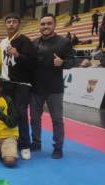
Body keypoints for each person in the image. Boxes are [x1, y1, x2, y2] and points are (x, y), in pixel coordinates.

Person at [31, 13, 74, 159]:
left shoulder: (64, 42)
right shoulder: (34, 43)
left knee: (57, 119)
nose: (45, 26)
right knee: (35, 118)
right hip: (36, 88)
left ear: (54, 25)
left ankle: (58, 147)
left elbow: (72, 61)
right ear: (39, 26)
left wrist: (62, 63)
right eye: (43, 24)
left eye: (48, 23)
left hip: (54, 89)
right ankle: (36, 143)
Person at [0, 13, 36, 160]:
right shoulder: (3, 42)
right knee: (8, 114)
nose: (11, 24)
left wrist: (18, 54)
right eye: (8, 22)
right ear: (5, 24)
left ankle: (25, 145)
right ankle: (10, 141)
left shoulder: (25, 41)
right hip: (6, 83)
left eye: (14, 22)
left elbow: (32, 63)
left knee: (21, 114)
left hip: (21, 84)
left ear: (18, 24)